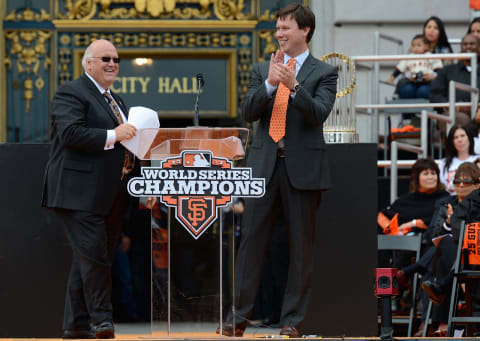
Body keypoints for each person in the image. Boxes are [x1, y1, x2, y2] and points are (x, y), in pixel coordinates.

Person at [216, 3, 337, 338]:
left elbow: (319, 114)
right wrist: (270, 84)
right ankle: (237, 317)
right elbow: (248, 111)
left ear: (305, 30)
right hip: (263, 167)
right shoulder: (262, 68)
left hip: (303, 169)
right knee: (251, 242)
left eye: (286, 28)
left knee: (301, 249)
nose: (280, 34)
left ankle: (292, 322)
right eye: (278, 28)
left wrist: (295, 86)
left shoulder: (324, 72)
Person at [41, 39, 139, 339]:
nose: (112, 64)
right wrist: (115, 133)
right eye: (105, 58)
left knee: (89, 259)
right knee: (95, 257)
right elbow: (71, 132)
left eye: (116, 59)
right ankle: (102, 322)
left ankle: (76, 324)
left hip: (110, 196)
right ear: (88, 63)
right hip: (78, 193)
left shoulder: (117, 100)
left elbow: (125, 142)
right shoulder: (71, 92)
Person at [423, 162, 480, 336]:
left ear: (477, 184)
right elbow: (432, 234)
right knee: (445, 245)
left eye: (467, 182)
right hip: (466, 253)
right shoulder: (450, 204)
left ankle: (441, 292)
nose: (461, 185)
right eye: (458, 181)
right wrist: (450, 223)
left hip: (471, 255)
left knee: (442, 254)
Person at [378, 158, 448, 238]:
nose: (430, 177)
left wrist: (414, 223)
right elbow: (382, 215)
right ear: (417, 178)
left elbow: (441, 221)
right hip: (403, 243)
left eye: (433, 173)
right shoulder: (407, 200)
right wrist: (393, 232)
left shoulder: (445, 198)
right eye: (426, 174)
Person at [430, 34, 480, 122]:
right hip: (453, 113)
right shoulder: (447, 70)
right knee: (461, 119)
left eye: (472, 44)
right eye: (465, 44)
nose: (468, 46)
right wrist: (451, 106)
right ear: (461, 48)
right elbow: (435, 95)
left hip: (478, 112)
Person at [387, 34, 442, 99]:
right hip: (411, 81)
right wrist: (392, 78)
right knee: (407, 90)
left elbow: (438, 69)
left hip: (427, 82)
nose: (415, 48)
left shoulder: (430, 56)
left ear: (426, 46)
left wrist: (433, 75)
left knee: (423, 91)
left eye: (419, 45)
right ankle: (398, 97)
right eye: (413, 45)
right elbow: (399, 68)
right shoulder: (409, 57)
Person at [438, 124, 478, 195]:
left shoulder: (478, 160)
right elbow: (442, 187)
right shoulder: (444, 163)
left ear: (469, 138)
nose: (460, 140)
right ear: (452, 142)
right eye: (456, 137)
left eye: (462, 136)